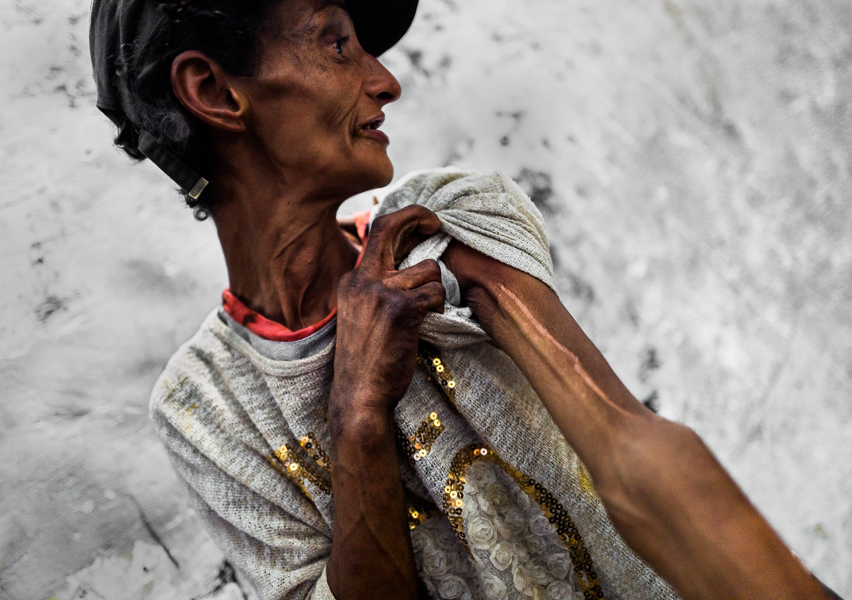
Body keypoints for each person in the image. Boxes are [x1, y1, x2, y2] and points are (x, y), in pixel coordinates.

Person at [89, 1, 839, 599]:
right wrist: (355, 410)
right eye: (337, 42)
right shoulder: (205, 407)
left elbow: (623, 444)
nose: (385, 81)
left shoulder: (440, 223)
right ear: (216, 91)